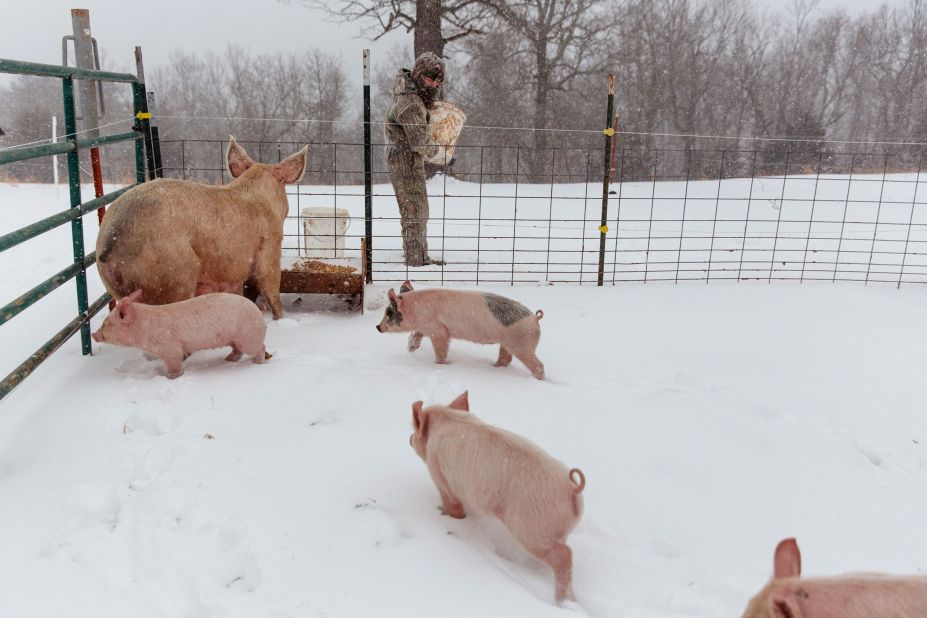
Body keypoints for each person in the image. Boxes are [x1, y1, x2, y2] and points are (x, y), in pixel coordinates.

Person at [384, 52, 446, 267]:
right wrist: (440, 152)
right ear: (419, 75)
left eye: (438, 81)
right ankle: (416, 263)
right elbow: (419, 141)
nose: (434, 85)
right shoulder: (409, 103)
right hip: (404, 162)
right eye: (430, 79)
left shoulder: (414, 95)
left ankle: (420, 257)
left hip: (406, 159)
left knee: (418, 210)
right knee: (414, 211)